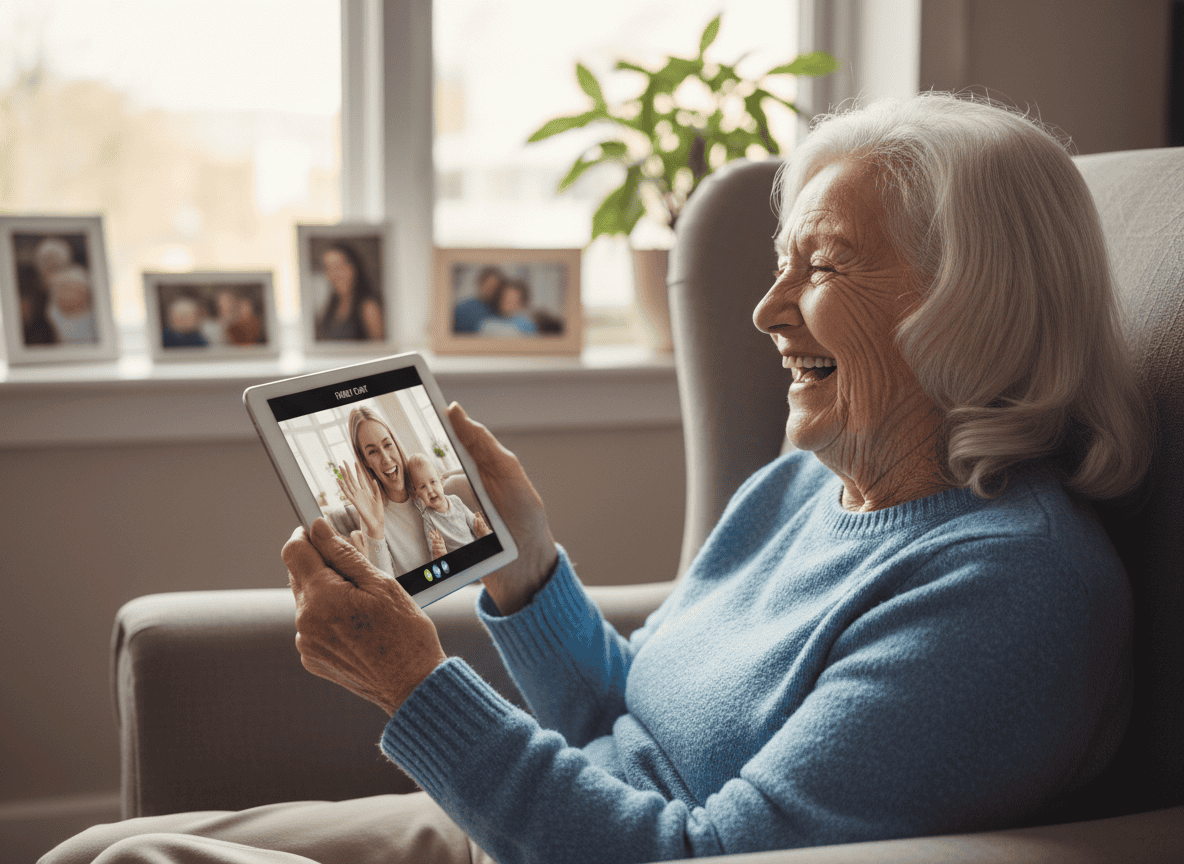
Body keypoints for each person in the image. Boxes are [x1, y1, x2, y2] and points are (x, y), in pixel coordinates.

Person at [44, 93, 1153, 864]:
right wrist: (528, 577)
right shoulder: (800, 489)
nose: (766, 314)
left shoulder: (1010, 595)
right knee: (100, 847)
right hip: (529, 831)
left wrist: (415, 690)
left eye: (818, 267)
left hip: (564, 848)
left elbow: (698, 855)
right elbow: (634, 723)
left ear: (970, 301)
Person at [327, 405, 431, 578]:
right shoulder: (372, 519)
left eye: (387, 445)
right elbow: (386, 586)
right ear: (366, 461)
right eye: (373, 451)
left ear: (396, 445)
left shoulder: (428, 488)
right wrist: (375, 530)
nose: (386, 458)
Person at [404, 452, 491, 556]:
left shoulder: (456, 501)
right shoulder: (428, 518)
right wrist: (438, 552)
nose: (430, 490)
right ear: (417, 493)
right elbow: (434, 552)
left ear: (441, 481)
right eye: (423, 487)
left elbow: (474, 524)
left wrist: (482, 530)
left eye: (433, 482)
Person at [315, 242, 384, 341]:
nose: (334, 274)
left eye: (339, 266)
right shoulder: (332, 305)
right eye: (328, 268)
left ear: (354, 267)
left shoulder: (369, 306)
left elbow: (380, 350)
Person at [44, 265, 97, 344]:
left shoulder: (95, 318)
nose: (68, 295)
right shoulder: (50, 316)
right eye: (63, 290)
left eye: (72, 290)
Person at [452, 265, 503, 333]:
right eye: (489, 285)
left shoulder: (500, 309)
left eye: (495, 286)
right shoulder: (461, 309)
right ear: (480, 283)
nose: (492, 289)